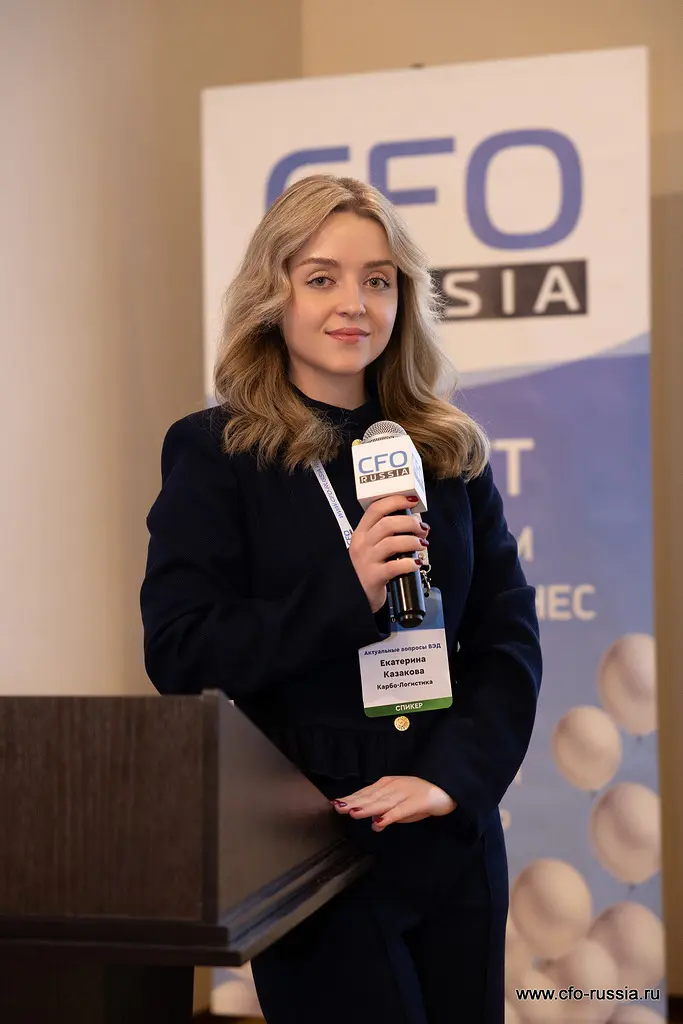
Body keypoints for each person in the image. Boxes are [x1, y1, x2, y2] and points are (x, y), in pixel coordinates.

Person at [140, 174, 542, 1024]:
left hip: (447, 833)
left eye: (378, 280)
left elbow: (505, 640)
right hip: (309, 843)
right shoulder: (216, 452)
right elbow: (180, 650)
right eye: (321, 277)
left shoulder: (447, 451)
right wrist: (346, 590)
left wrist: (449, 781)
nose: (354, 303)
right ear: (272, 294)